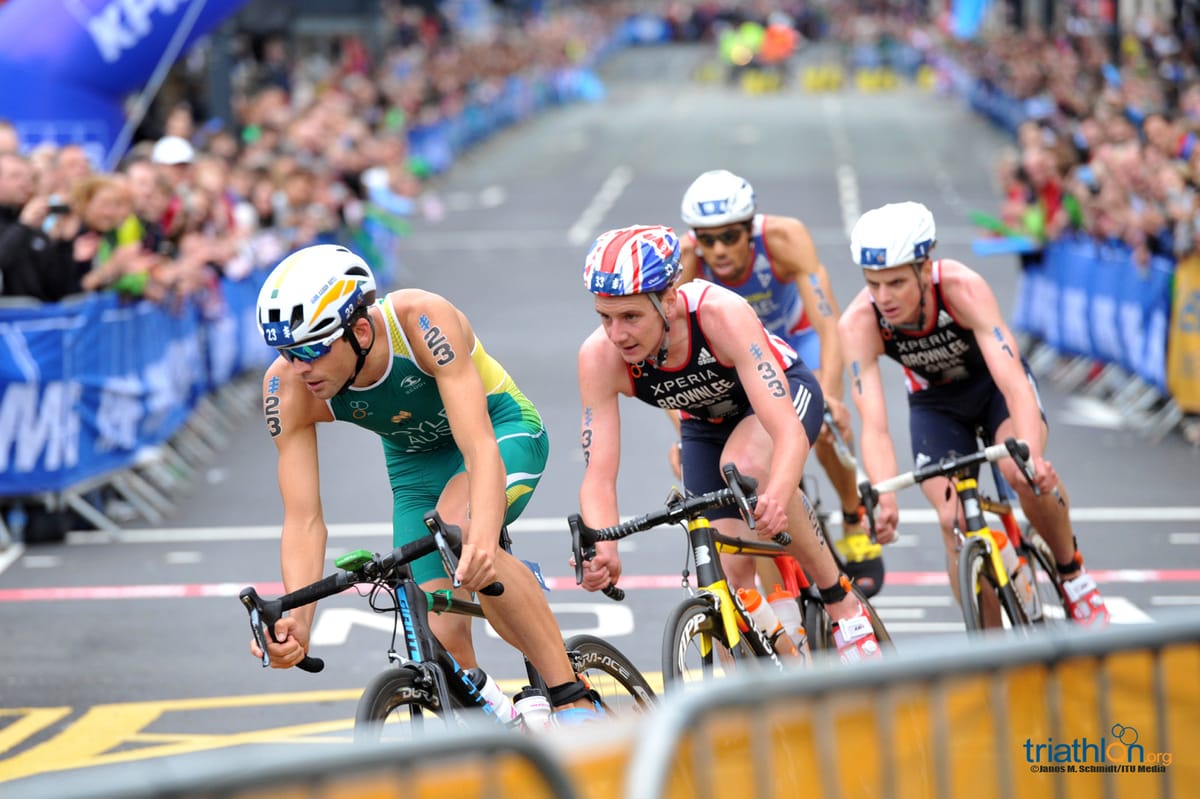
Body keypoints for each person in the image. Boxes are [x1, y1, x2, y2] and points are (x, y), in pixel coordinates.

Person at [250, 244, 601, 721]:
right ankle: (498, 729)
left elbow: (478, 448)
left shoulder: (421, 322)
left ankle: (572, 698)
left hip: (500, 431)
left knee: (463, 535)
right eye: (286, 353)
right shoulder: (286, 389)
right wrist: (299, 621)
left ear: (359, 330)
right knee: (437, 632)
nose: (298, 368)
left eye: (311, 349)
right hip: (416, 470)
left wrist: (480, 537)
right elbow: (304, 519)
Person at [575, 224, 881, 663]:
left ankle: (838, 598)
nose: (617, 334)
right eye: (605, 317)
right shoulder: (599, 358)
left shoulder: (719, 314)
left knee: (747, 465)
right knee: (726, 589)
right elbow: (598, 477)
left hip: (780, 399)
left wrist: (776, 495)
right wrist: (604, 546)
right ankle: (785, 670)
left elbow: (788, 432)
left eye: (630, 317)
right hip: (705, 423)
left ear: (668, 299)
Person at [838, 201, 1110, 628]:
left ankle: (1072, 573)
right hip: (936, 407)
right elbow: (873, 426)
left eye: (895, 283)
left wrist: (1032, 457)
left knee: (1022, 474)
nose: (883, 298)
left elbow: (1014, 382)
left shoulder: (962, 288)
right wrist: (885, 497)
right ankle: (989, 652)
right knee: (953, 521)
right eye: (873, 284)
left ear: (925, 271)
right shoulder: (859, 323)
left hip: (993, 391)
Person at [676, 169, 884, 595]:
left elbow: (829, 326)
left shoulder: (785, 239)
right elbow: (672, 361)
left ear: (750, 230)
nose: (717, 249)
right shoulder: (684, 260)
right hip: (736, 359)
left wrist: (830, 393)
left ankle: (851, 514)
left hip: (794, 344)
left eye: (729, 236)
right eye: (706, 239)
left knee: (824, 426)